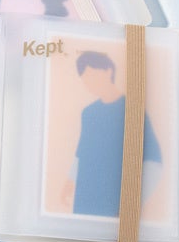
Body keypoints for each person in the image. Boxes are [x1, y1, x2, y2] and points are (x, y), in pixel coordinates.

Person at [60, 52, 162, 216]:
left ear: (108, 71)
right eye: (85, 79)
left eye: (92, 76)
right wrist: (70, 182)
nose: (89, 83)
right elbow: (82, 153)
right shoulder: (89, 113)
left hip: (113, 202)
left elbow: (153, 162)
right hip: (84, 198)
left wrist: (133, 201)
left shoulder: (133, 109)